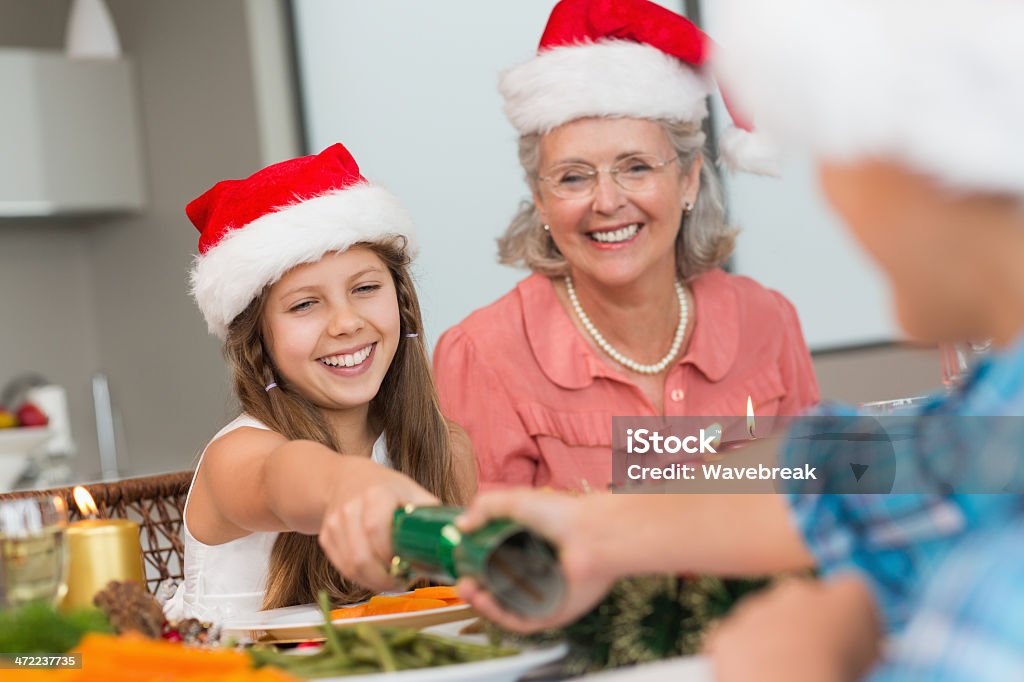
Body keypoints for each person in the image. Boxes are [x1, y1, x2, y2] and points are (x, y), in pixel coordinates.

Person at [453, 1, 1024, 680]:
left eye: (831, 151)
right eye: (575, 176)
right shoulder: (994, 417)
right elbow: (854, 479)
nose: (831, 194)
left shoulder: (992, 595)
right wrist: (594, 534)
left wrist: (793, 665)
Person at [432, 0, 819, 493]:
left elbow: (825, 509)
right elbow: (494, 561)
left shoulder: (769, 321)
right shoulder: (482, 356)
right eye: (573, 177)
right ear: (540, 199)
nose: (608, 201)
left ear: (689, 179)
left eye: (636, 166)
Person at [164, 143, 475, 623]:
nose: (346, 323)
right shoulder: (237, 456)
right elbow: (282, 478)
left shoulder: (445, 448)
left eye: (366, 288)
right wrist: (347, 484)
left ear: (403, 304)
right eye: (304, 304)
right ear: (258, 340)